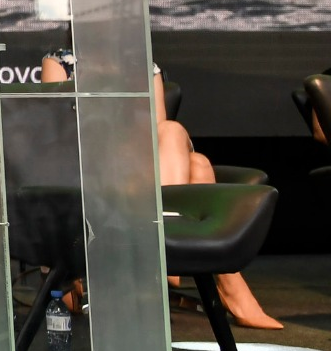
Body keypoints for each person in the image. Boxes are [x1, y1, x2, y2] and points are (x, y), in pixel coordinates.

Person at [40, 51, 281, 329]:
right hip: (88, 163)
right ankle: (224, 281)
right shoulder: (60, 61)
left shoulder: (142, 62)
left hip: (139, 163)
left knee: (172, 132)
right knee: (198, 165)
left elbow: (155, 132)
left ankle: (165, 241)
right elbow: (60, 132)